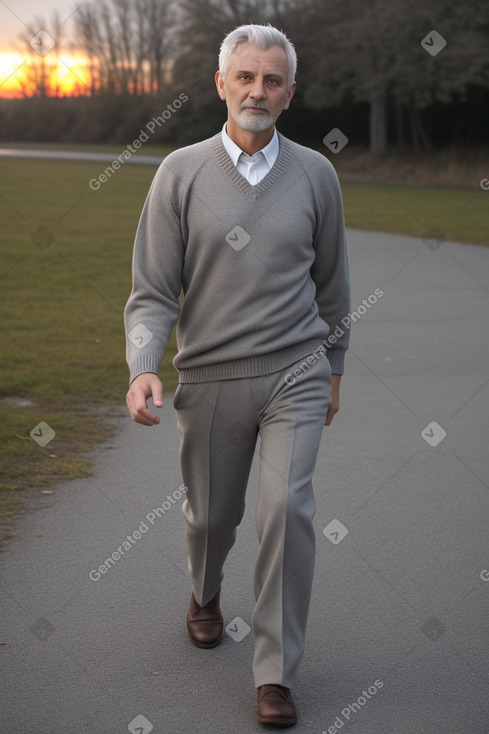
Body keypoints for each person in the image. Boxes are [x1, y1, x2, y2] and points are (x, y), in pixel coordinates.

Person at [125, 23, 351, 727]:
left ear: (288, 94)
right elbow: (154, 291)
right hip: (211, 377)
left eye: (272, 80)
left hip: (296, 369)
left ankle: (273, 672)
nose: (258, 90)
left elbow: (333, 286)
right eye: (245, 77)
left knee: (287, 510)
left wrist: (334, 368)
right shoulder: (180, 173)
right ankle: (203, 591)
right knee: (211, 519)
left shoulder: (316, 174)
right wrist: (141, 366)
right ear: (222, 84)